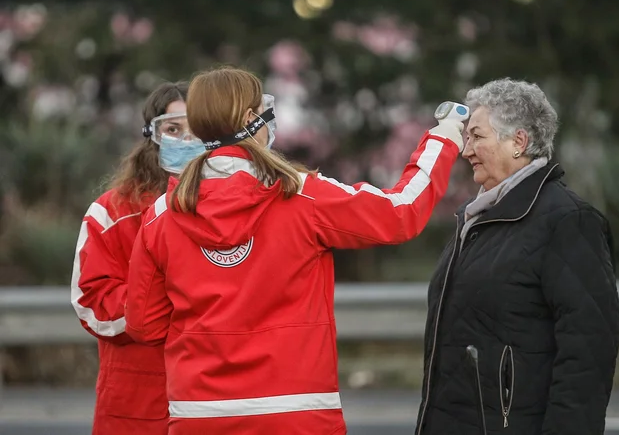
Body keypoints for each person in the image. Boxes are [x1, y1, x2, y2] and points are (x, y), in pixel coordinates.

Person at [123, 66, 465, 435]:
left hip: (198, 414)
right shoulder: (301, 193)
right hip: (298, 411)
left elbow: (144, 323)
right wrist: (443, 138)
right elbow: (400, 213)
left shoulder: (161, 214)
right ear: (253, 119)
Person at [414, 78, 619, 435]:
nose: (466, 150)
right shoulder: (476, 219)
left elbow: (587, 356)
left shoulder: (568, 221)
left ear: (518, 142)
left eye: (477, 136)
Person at [70, 81, 206, 435]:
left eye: (199, 129)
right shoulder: (112, 213)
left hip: (216, 398)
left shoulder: (238, 208)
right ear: (152, 134)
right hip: (137, 404)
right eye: (173, 129)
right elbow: (92, 303)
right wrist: (163, 300)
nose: (186, 141)